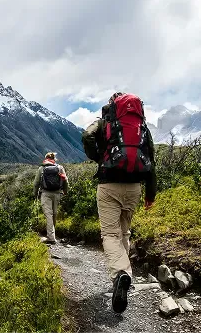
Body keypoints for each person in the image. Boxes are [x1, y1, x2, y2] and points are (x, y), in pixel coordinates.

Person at [82, 92, 156, 313]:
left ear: (112, 105)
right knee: (124, 233)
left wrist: (98, 157)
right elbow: (151, 158)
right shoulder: (141, 126)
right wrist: (150, 194)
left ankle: (121, 274)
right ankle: (122, 276)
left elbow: (87, 135)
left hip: (109, 184)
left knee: (110, 234)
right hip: (134, 187)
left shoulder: (105, 122)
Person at [33, 152, 68, 244]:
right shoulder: (60, 168)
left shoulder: (42, 168)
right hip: (57, 194)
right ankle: (52, 234)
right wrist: (65, 191)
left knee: (48, 214)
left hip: (45, 193)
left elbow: (36, 183)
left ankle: (51, 238)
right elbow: (65, 180)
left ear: (45, 158)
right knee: (54, 213)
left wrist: (35, 194)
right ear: (54, 159)